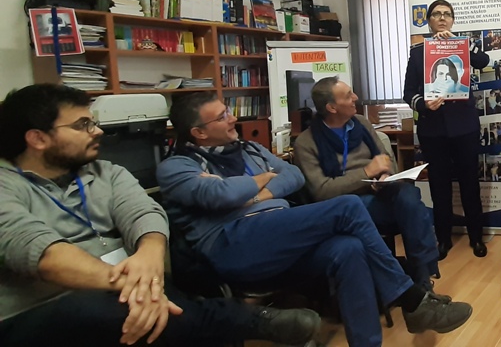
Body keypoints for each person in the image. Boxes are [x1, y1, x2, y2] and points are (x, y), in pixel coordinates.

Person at [0, 84, 321, 347]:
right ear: (37, 138)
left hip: (128, 290)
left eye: (93, 121)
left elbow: (145, 213)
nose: (97, 131)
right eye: (83, 125)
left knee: (166, 302)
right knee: (94, 308)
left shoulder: (105, 172)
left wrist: (150, 255)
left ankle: (234, 319)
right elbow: (44, 255)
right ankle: (249, 321)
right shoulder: (5, 185)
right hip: (41, 309)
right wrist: (138, 286)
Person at [158, 92, 472, 347]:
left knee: (348, 249)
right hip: (233, 245)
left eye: (228, 111)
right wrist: (263, 179)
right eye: (222, 116)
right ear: (199, 132)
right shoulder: (176, 167)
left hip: (279, 234)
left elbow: (292, 176)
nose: (233, 119)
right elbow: (221, 195)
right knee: (347, 207)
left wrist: (252, 194)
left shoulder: (250, 149)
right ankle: (412, 298)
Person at [294, 76, 440, 290]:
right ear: (332, 108)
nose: (356, 97)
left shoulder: (361, 123)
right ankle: (422, 277)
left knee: (409, 195)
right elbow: (321, 191)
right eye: (348, 96)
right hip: (346, 205)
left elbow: (384, 159)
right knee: (419, 213)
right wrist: (366, 172)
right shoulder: (306, 143)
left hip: (378, 191)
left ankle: (420, 277)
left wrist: (384, 175)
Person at [403, 0, 491, 259]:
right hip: (433, 129)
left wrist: (459, 43)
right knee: (439, 186)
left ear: (452, 20)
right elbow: (408, 92)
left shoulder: (463, 45)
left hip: (464, 127)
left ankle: (476, 237)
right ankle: (443, 239)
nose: (442, 18)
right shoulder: (418, 52)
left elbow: (483, 60)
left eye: (447, 14)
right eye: (436, 14)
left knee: (469, 183)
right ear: (429, 21)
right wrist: (423, 104)